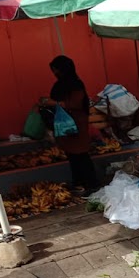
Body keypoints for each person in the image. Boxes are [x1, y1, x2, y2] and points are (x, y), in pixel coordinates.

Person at [39, 55, 99, 195]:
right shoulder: (61, 84)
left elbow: (75, 104)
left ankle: (90, 183)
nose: (54, 73)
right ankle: (79, 182)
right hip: (65, 124)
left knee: (81, 155)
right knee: (73, 155)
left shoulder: (75, 84)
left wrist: (52, 103)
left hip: (76, 123)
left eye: (56, 70)